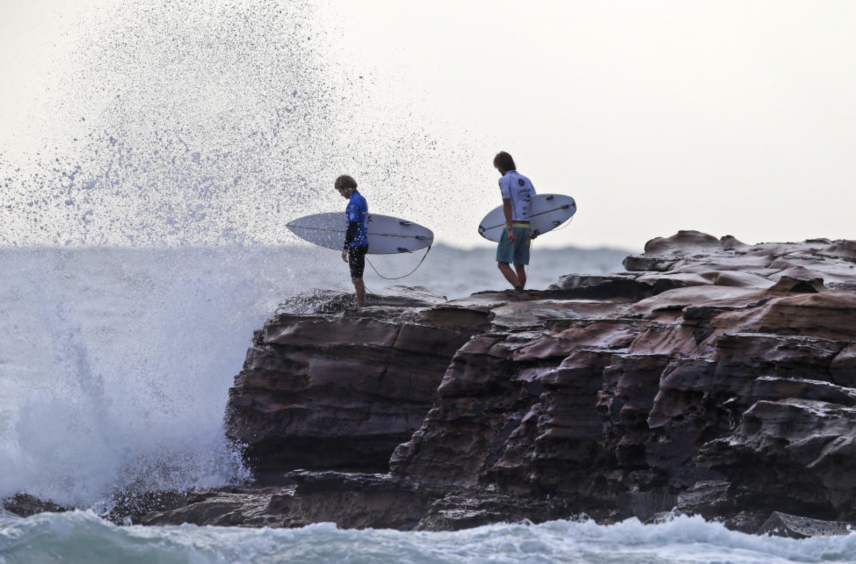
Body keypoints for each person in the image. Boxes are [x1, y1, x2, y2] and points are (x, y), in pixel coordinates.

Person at [493, 151, 535, 293]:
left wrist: (510, 229)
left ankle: (518, 289)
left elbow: (507, 204)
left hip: (514, 226)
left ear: (500, 166)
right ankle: (521, 294)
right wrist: (535, 229)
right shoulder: (526, 180)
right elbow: (534, 204)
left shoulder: (504, 180)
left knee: (502, 263)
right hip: (527, 227)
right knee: (519, 265)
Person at [335, 174, 369, 307]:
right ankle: (361, 305)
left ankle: (362, 307)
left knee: (356, 278)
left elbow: (353, 226)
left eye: (340, 191)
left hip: (357, 245)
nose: (341, 194)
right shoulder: (361, 199)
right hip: (361, 243)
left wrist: (345, 247)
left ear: (348, 189)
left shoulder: (354, 203)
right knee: (357, 277)